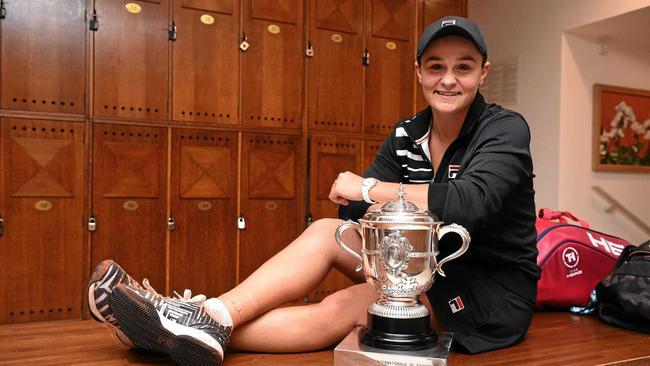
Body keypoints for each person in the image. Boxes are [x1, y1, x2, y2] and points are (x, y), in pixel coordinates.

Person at [88, 16, 539, 365]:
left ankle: (168, 330)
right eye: (436, 66)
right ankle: (204, 319)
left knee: (351, 303)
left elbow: (470, 203)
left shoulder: (504, 130)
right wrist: (370, 195)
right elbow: (352, 214)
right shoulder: (408, 133)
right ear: (418, 72)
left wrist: (371, 187)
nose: (448, 79)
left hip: (487, 292)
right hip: (416, 262)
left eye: (464, 67)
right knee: (326, 230)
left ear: (483, 74)